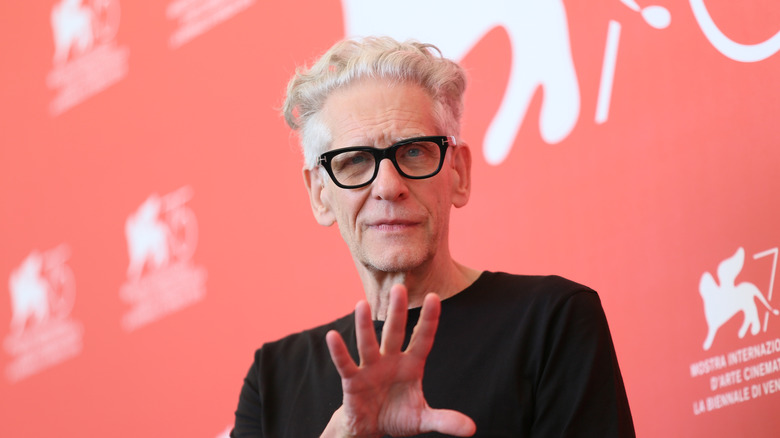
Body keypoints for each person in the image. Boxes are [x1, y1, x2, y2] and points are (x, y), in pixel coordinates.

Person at [232, 36, 635, 437]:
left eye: (413, 152)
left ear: (458, 173)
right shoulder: (272, 382)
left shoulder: (553, 322)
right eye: (355, 161)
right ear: (320, 194)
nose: (389, 187)